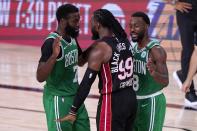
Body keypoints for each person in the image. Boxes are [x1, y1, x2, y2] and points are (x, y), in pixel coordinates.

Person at [57, 9, 137, 131]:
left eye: (91, 22)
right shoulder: (124, 41)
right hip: (130, 98)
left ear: (97, 24)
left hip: (112, 101)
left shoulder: (100, 48)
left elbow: (86, 84)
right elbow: (81, 60)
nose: (90, 25)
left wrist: (73, 110)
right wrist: (74, 35)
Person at [36, 4, 90, 131]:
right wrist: (54, 56)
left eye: (79, 20)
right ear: (62, 21)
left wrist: (98, 46)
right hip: (59, 98)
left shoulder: (71, 38)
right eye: (75, 20)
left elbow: (80, 61)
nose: (78, 24)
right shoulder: (51, 42)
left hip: (75, 97)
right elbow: (40, 77)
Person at [129, 12, 169, 131]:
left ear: (146, 26)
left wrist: (154, 73)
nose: (132, 29)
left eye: (136, 26)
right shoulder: (132, 49)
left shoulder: (156, 51)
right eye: (130, 26)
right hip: (134, 101)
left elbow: (165, 81)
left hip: (151, 101)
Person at [169, 0, 197, 109]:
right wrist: (174, 3)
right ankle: (190, 94)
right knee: (188, 50)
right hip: (187, 12)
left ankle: (182, 74)